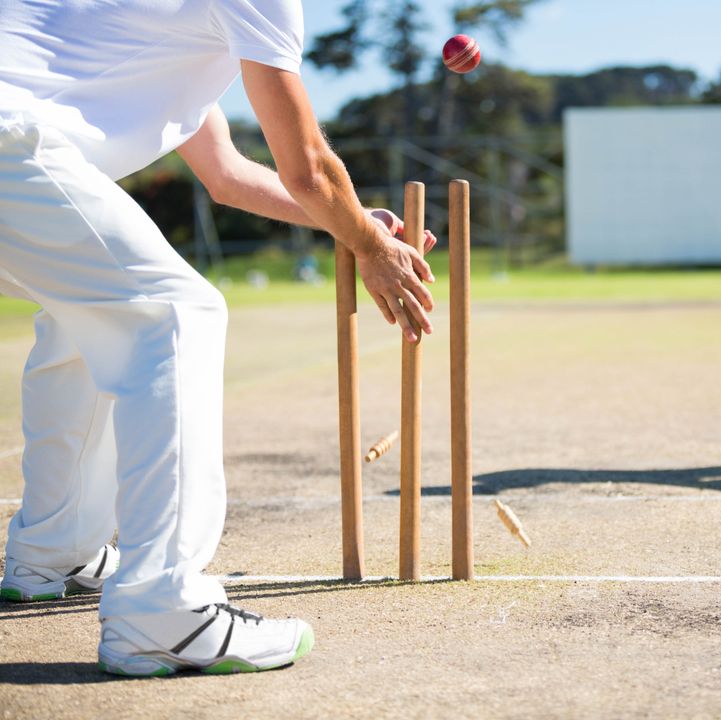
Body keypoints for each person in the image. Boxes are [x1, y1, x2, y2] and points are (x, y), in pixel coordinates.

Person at [0, 0, 435, 676]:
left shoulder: (161, 28)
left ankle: (51, 552)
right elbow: (309, 169)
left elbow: (228, 175)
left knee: (89, 310)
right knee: (175, 314)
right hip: (10, 140)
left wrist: (351, 225)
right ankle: (161, 613)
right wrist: (365, 241)